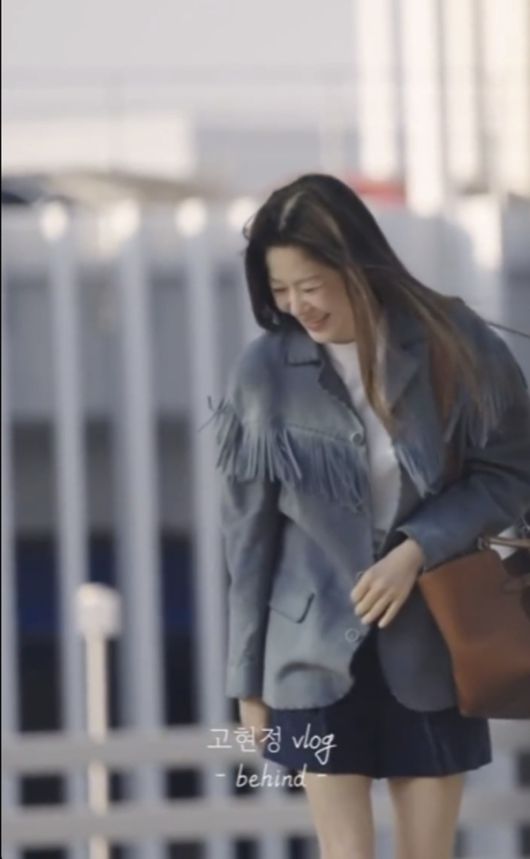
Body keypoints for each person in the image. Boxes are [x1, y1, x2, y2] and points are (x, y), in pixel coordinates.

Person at [206, 174, 530, 859]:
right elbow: (247, 539)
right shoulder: (263, 372)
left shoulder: (452, 341)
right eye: (279, 290)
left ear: (356, 264)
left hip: (435, 643)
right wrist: (247, 679)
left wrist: (416, 548)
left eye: (311, 285)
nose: (297, 306)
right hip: (310, 654)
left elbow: (510, 472)